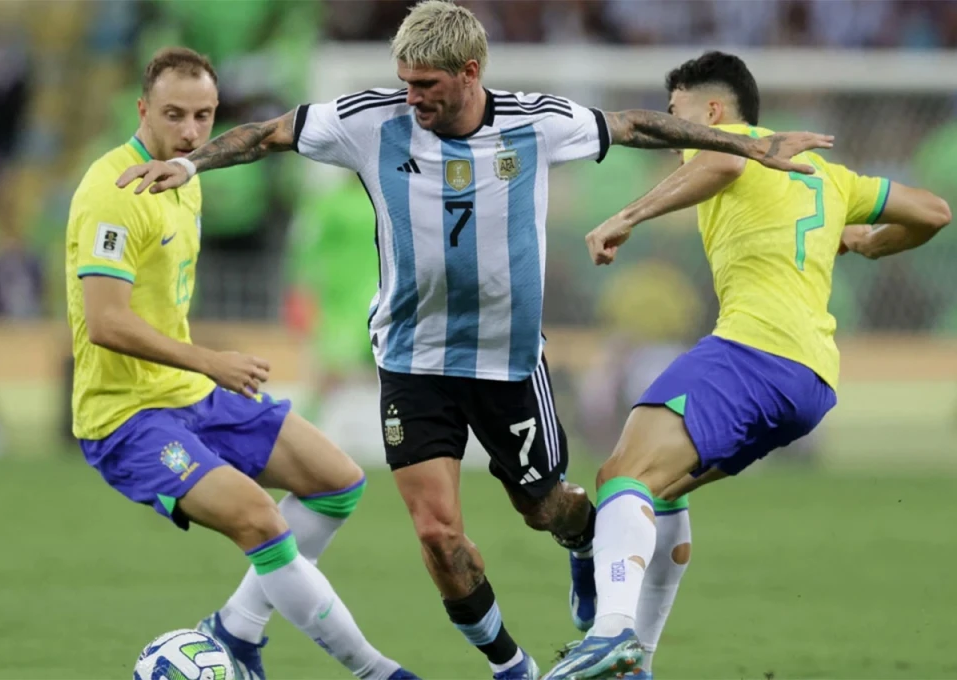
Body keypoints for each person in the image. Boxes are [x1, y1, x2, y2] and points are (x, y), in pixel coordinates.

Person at [116, 5, 832, 677]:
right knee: (438, 535)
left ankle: (583, 543)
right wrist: (191, 162)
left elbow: (639, 127)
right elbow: (269, 134)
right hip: (411, 361)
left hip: (508, 363)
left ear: (469, 73)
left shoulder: (536, 123)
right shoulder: (370, 121)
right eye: (405, 84)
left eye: (426, 86)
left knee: (547, 506)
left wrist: (749, 144)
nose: (413, 100)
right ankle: (512, 668)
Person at [545, 50, 952, 679]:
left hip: (755, 351)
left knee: (621, 474)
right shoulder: (829, 174)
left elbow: (724, 158)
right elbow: (933, 212)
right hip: (811, 379)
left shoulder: (735, 143)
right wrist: (872, 242)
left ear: (713, 111)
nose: (674, 137)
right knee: (656, 488)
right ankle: (635, 665)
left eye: (677, 117)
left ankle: (614, 631)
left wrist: (626, 215)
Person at [65, 46, 418, 680]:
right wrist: (211, 361)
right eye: (174, 114)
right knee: (260, 519)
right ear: (143, 109)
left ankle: (236, 629)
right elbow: (106, 321)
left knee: (337, 481)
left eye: (204, 115)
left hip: (190, 394)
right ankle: (379, 673)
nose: (191, 131)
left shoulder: (185, 178)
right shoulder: (112, 192)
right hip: (128, 418)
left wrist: (201, 372)